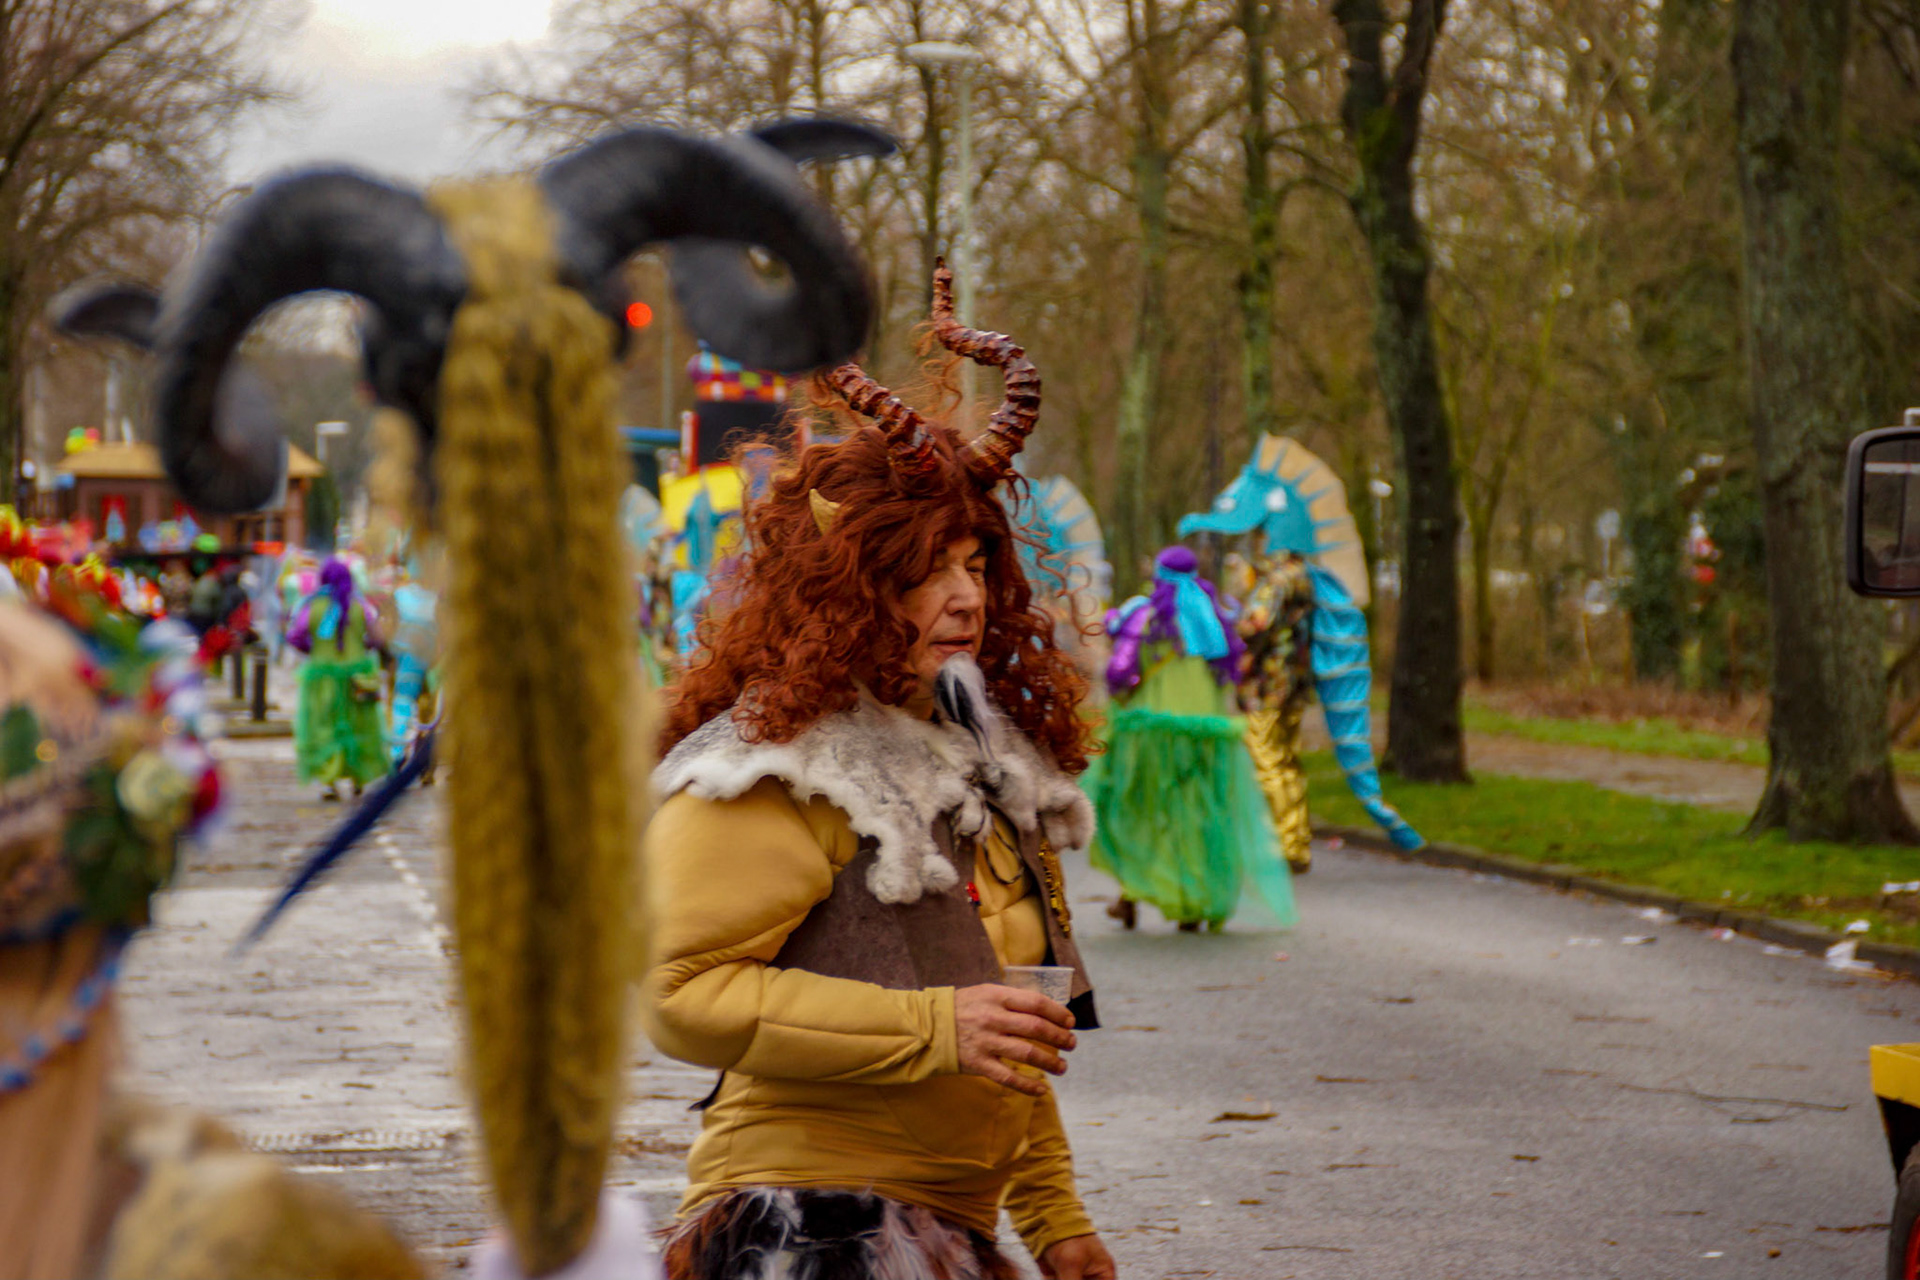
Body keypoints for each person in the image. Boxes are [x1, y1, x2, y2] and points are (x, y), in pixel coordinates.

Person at [646, 262, 1116, 1279]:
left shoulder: (985, 763)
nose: (967, 598)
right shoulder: (772, 768)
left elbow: (1005, 1029)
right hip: (808, 1226)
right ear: (849, 589)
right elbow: (679, 994)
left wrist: (1055, 1216)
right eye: (924, 571)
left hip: (949, 1228)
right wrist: (931, 1023)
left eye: (975, 564)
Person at [1177, 435, 1422, 863]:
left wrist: (1224, 617)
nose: (1252, 543)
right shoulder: (1300, 574)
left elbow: (1255, 624)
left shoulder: (1278, 579)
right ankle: (1294, 840)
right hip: (1290, 682)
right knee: (1286, 759)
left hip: (1267, 685)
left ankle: (1280, 844)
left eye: (1256, 534)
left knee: (1266, 758)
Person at [1085, 546, 1298, 932]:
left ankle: (1130, 895)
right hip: (1209, 736)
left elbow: (1119, 673)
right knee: (1201, 817)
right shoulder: (1216, 619)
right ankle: (1196, 899)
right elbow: (1232, 673)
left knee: (1143, 812)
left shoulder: (1145, 618)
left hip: (1153, 733)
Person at [287, 556, 389, 800]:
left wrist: (313, 648)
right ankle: (358, 778)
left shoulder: (311, 606)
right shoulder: (360, 606)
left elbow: (295, 636)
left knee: (324, 727)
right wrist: (362, 645)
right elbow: (377, 638)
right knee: (360, 725)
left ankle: (329, 781)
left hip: (322, 677)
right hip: (358, 676)